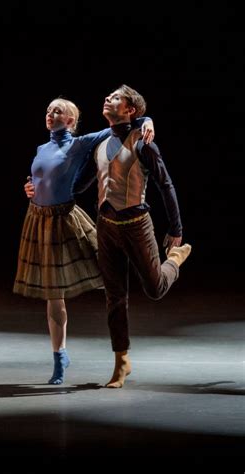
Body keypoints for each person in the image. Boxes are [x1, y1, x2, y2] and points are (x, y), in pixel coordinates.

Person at [14, 96, 154, 385]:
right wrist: (30, 187)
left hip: (63, 219)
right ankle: (59, 356)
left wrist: (146, 121)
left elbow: (121, 126)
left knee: (104, 271)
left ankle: (141, 283)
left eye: (58, 111)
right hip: (38, 219)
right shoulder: (42, 147)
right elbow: (40, 178)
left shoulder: (78, 143)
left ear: (70, 121)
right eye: (48, 109)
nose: (51, 113)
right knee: (53, 296)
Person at [70, 84, 192, 388]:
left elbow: (167, 185)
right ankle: (121, 361)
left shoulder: (144, 142)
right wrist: (43, 194)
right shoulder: (100, 144)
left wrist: (175, 229)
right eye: (107, 95)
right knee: (114, 297)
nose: (107, 98)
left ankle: (175, 260)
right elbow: (78, 186)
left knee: (155, 288)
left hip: (137, 224)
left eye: (115, 97)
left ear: (130, 110)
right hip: (106, 226)